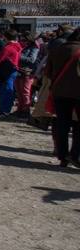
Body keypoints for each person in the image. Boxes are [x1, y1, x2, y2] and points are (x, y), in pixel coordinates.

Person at [46, 28, 80, 167]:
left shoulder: (57, 49)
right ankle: (75, 154)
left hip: (59, 92)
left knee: (62, 124)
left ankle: (62, 156)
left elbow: (48, 72)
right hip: (78, 93)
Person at [0, 30, 22, 117]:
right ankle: (6, 109)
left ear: (6, 37)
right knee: (10, 90)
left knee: (6, 90)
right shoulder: (18, 46)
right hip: (14, 70)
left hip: (7, 71)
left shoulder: (8, 48)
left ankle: (4, 110)